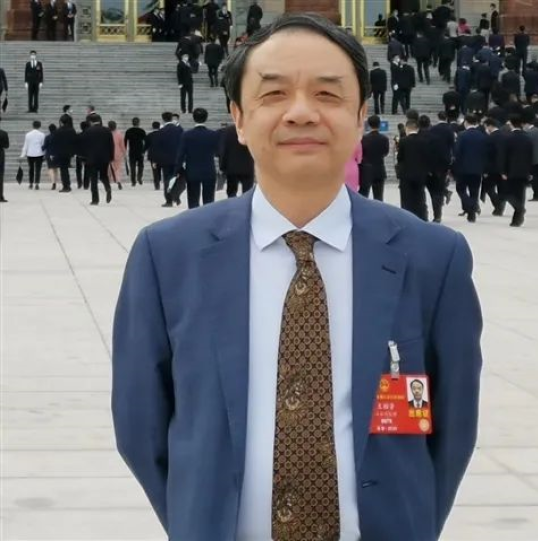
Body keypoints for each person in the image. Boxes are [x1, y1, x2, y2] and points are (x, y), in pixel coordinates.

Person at [112, 13, 482, 540]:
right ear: (239, 119)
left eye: (328, 94)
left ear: (361, 115)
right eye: (274, 94)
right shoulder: (168, 256)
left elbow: (453, 429)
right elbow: (140, 426)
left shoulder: (432, 258)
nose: (302, 112)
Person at [176, 107, 221, 208]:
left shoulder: (186, 135)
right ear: (206, 118)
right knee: (209, 201)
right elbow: (218, 152)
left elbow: (180, 155)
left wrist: (177, 170)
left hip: (192, 171)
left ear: (193, 118)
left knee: (193, 201)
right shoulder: (213, 134)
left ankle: (194, 217)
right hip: (209, 170)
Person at [453, 114, 488, 222]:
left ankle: (470, 206)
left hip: (463, 168)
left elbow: (457, 151)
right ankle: (472, 213)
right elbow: (485, 153)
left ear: (466, 122)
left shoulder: (462, 135)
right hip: (477, 168)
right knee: (474, 191)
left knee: (460, 189)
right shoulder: (482, 135)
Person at [502, 114, 534, 227]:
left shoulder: (508, 138)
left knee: (507, 193)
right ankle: (517, 220)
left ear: (511, 124)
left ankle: (520, 209)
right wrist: (530, 171)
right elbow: (531, 156)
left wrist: (503, 171)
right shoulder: (528, 138)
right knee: (520, 195)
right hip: (524, 170)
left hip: (511, 170)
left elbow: (504, 156)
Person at [396, 119, 429, 219]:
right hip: (420, 174)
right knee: (420, 197)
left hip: (406, 174)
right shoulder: (424, 141)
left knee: (406, 198)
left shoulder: (403, 141)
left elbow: (400, 157)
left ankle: (407, 218)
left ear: (407, 128)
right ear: (418, 129)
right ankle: (422, 217)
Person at [80, 113, 114, 205]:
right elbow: (111, 145)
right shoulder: (107, 130)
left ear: (91, 122)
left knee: (93, 179)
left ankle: (95, 200)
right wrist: (111, 157)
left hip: (92, 158)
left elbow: (83, 146)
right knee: (104, 175)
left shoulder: (88, 131)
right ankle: (108, 187)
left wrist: (83, 157)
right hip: (104, 158)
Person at [154, 111, 183, 207]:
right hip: (177, 158)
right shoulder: (179, 130)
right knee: (176, 178)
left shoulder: (161, 131)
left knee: (167, 179)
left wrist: (156, 160)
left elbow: (158, 147)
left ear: (163, 119)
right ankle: (176, 196)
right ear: (171, 118)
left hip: (165, 159)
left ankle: (169, 200)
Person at [219, 123, 255, 197]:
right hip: (247, 166)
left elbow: (224, 150)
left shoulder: (228, 131)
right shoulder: (251, 129)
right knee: (247, 193)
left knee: (231, 193)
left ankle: (232, 204)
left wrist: (222, 166)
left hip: (232, 167)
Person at [360, 114, 389, 201]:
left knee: (363, 197)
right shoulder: (384, 139)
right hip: (379, 169)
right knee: (379, 197)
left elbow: (361, 153)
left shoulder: (364, 139)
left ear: (368, 124)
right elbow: (385, 152)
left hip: (366, 170)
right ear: (379, 124)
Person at [53, 114, 78, 192]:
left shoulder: (58, 130)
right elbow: (75, 141)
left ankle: (66, 186)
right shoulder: (72, 130)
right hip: (69, 153)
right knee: (65, 169)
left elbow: (55, 142)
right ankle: (67, 185)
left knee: (63, 170)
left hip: (61, 152)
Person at [20, 120, 45, 190]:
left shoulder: (28, 134)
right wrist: (44, 154)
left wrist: (22, 155)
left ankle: (30, 183)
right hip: (39, 154)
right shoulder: (42, 135)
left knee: (31, 169)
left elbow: (26, 145)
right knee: (38, 169)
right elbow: (43, 145)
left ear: (33, 126)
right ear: (39, 126)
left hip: (30, 154)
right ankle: (37, 184)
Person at [124, 117, 147, 187]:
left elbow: (125, 142)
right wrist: (144, 150)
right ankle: (139, 177)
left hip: (132, 151)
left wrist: (124, 150)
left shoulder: (128, 131)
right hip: (140, 151)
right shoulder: (142, 131)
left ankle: (133, 181)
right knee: (141, 165)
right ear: (139, 123)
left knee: (132, 166)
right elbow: (146, 141)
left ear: (132, 123)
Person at [108, 120, 126, 189]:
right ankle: (118, 181)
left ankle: (108, 182)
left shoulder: (107, 133)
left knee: (109, 168)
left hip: (109, 153)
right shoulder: (119, 134)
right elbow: (122, 145)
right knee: (118, 168)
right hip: (118, 153)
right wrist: (124, 153)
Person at [146, 121, 162, 190]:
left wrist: (142, 151)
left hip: (153, 156)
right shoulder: (163, 135)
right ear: (159, 126)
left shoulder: (149, 135)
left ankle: (156, 184)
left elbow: (146, 145)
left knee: (155, 170)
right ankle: (159, 179)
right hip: (162, 156)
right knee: (160, 169)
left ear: (152, 127)